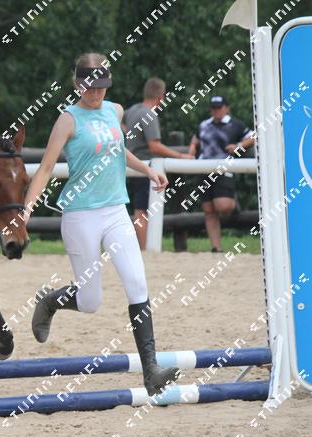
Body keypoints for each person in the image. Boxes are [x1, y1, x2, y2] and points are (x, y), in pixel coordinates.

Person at [24, 53, 180, 396]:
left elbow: (118, 150)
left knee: (137, 283)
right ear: (77, 83)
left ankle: (151, 371)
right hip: (81, 215)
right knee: (90, 301)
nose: (96, 93)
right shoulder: (67, 120)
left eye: (102, 87)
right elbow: (47, 167)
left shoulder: (115, 110)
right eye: (90, 87)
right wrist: (27, 207)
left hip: (115, 211)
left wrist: (148, 169)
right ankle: (50, 301)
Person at [123, 77, 193, 249]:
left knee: (140, 210)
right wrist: (180, 156)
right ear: (161, 96)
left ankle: (142, 248)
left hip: (133, 165)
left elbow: (120, 123)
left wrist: (131, 136)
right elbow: (154, 146)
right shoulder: (149, 114)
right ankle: (144, 249)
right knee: (142, 211)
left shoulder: (133, 109)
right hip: (145, 166)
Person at [187, 95, 255, 252]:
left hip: (224, 168)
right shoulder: (204, 124)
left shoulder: (235, 124)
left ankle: (233, 204)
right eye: (213, 108)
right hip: (203, 168)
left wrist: (238, 145)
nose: (216, 111)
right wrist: (192, 147)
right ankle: (216, 247)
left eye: (219, 107)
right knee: (208, 210)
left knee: (223, 206)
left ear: (226, 108)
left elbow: (253, 137)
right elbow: (196, 138)